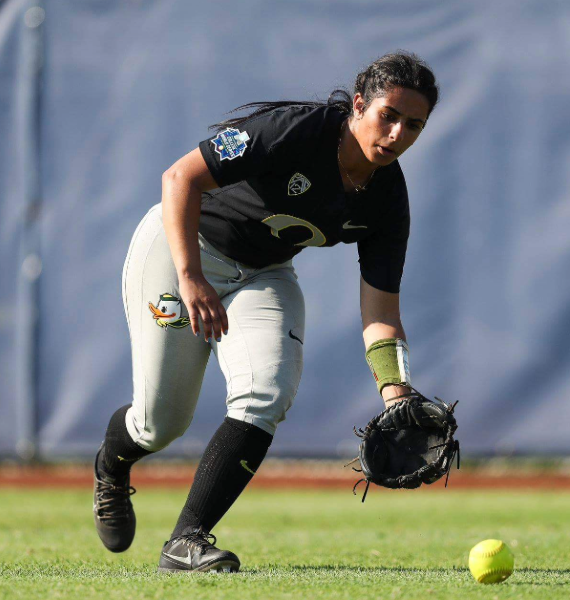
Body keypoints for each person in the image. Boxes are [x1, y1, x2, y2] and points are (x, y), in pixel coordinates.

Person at [90, 52, 441, 573]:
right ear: (360, 104)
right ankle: (111, 466)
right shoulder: (294, 130)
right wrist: (191, 278)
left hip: (263, 273)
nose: (396, 133)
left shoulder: (388, 198)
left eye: (413, 124)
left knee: (266, 391)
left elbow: (382, 311)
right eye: (388, 115)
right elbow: (179, 178)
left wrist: (396, 393)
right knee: (159, 424)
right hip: (182, 249)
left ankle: (186, 540)